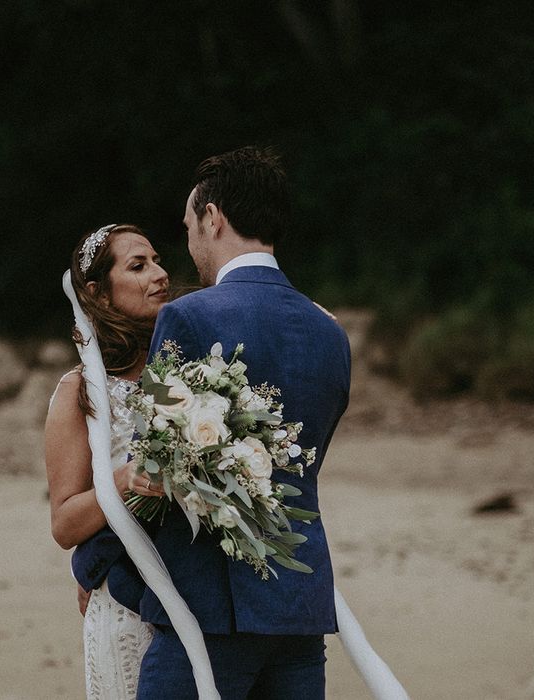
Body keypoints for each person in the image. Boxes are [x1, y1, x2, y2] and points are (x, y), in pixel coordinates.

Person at [115, 147, 352, 699]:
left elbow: (152, 468)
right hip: (299, 602)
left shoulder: (187, 316)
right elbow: (305, 463)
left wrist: (100, 566)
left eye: (189, 226)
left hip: (207, 609)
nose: (190, 244)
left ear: (213, 217)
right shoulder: (331, 332)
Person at [45, 223, 170, 700]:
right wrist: (124, 480)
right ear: (98, 293)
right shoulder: (80, 392)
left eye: (157, 260)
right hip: (126, 608)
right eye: (138, 266)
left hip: (202, 603)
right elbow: (64, 524)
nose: (159, 274)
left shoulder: (184, 376)